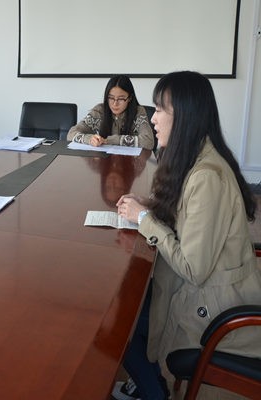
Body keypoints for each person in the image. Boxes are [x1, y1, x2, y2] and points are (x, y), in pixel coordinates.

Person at [114, 71, 261, 400]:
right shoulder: (198, 156)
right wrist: (150, 205)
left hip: (212, 308)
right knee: (127, 309)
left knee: (119, 325)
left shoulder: (206, 176)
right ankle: (151, 384)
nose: (153, 119)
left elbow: (193, 269)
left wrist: (145, 219)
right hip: (205, 290)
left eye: (159, 110)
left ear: (184, 116)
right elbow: (189, 214)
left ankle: (155, 392)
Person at [67, 75, 154, 150]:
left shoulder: (138, 112)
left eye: (121, 99)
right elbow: (71, 134)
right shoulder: (99, 111)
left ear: (130, 98)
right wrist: (89, 139)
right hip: (102, 160)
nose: (115, 103)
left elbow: (148, 142)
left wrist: (110, 140)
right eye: (111, 98)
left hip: (130, 161)